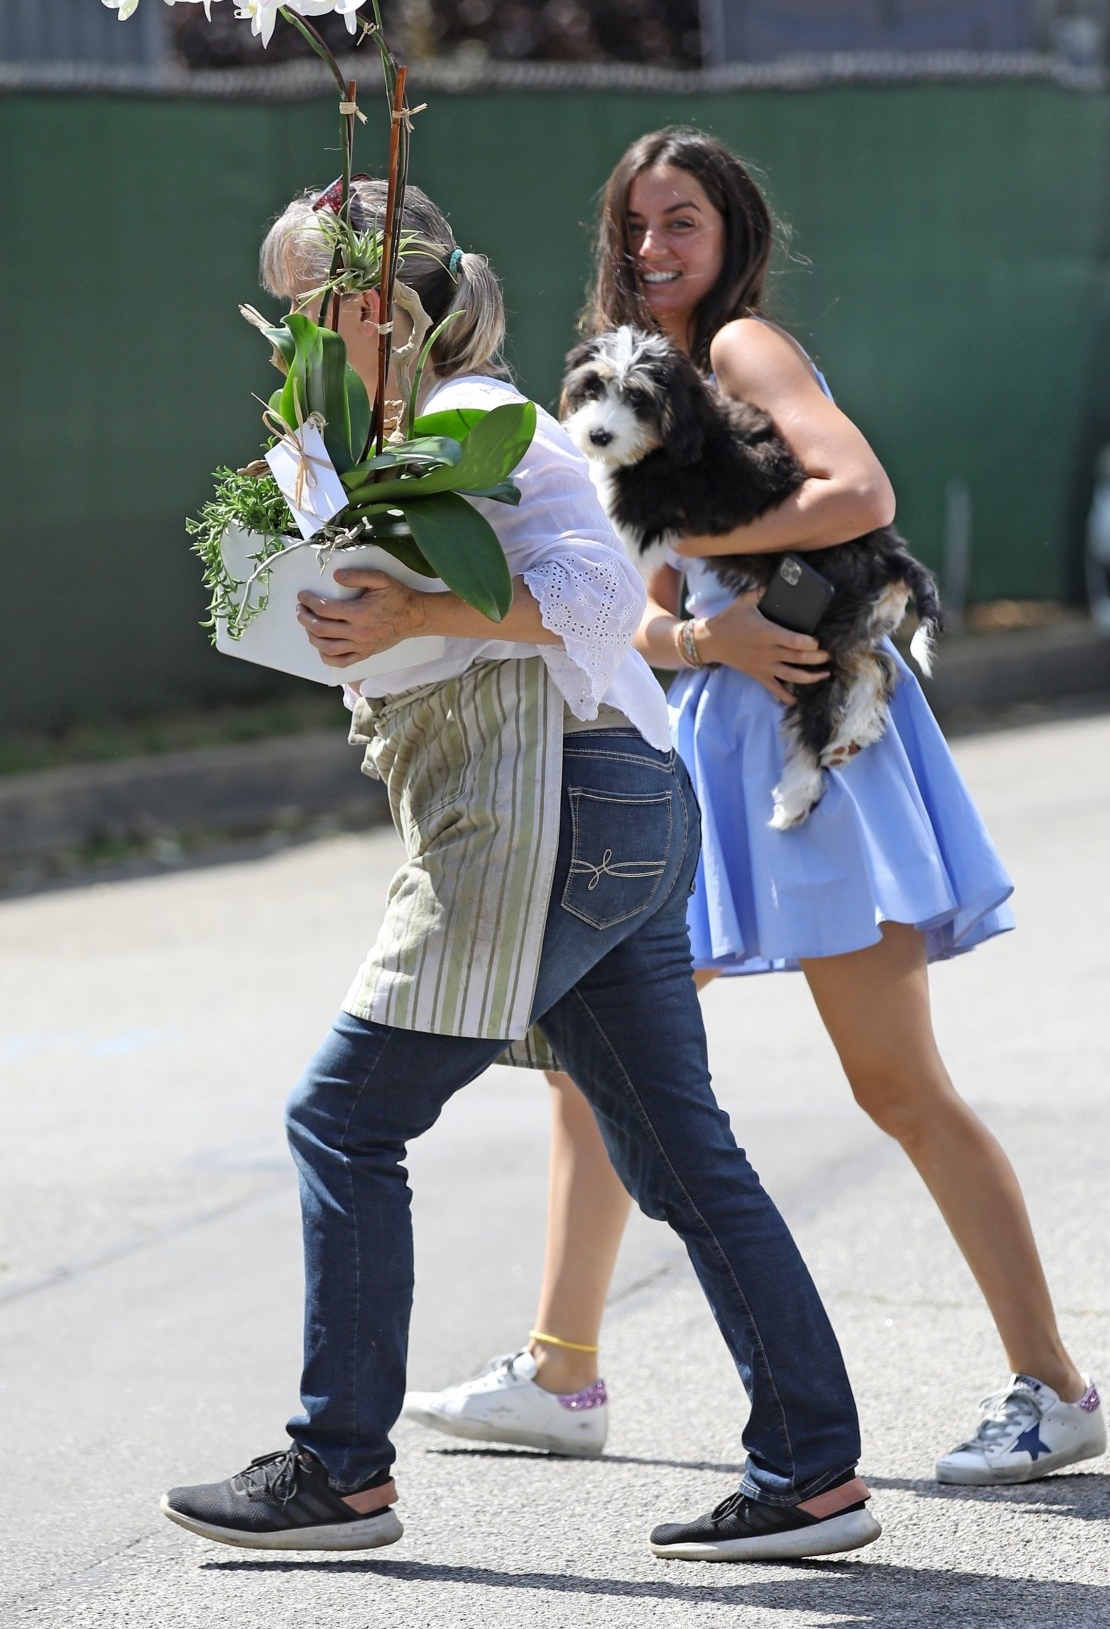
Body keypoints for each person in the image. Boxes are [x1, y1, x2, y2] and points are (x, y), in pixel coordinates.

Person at [159, 177, 883, 1562]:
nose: (294, 332)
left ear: (379, 309)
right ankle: (812, 1470)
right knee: (682, 1157)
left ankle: (339, 1468)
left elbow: (611, 594)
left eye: (313, 304)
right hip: (606, 802)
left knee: (342, 1122)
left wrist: (416, 605)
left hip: (560, 806)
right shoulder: (384, 432)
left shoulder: (472, 420)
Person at [402, 129, 1107, 1488]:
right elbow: (650, 622)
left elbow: (859, 493)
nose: (657, 251)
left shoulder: (742, 354)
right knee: (597, 1066)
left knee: (897, 1084)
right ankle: (560, 1371)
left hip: (816, 746)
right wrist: (694, 629)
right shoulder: (631, 383)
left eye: (685, 224)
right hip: (709, 741)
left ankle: (1057, 1388)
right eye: (637, 228)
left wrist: (677, 542)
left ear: (731, 238)